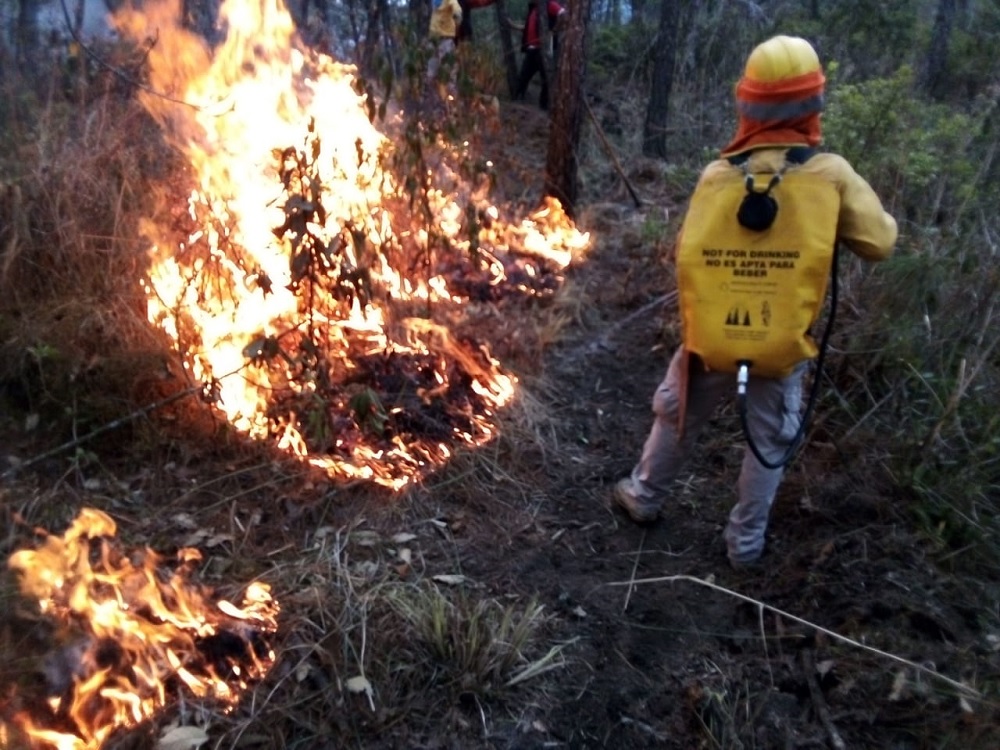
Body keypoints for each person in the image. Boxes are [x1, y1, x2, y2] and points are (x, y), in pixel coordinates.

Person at [612, 35, 898, 569]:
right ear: (813, 104)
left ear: (746, 104)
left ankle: (644, 496)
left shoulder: (718, 175)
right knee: (768, 441)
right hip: (779, 346)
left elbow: (687, 254)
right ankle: (743, 548)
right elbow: (880, 243)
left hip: (710, 341)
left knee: (676, 414)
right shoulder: (830, 175)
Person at [512, 0, 567, 111]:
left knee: (546, 79)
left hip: (543, 50)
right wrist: (512, 25)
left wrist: (554, 30)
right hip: (531, 50)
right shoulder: (533, 9)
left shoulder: (549, 4)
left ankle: (543, 107)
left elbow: (563, 14)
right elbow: (527, 27)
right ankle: (516, 101)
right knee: (523, 77)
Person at [427, 0, 464, 87]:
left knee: (449, 69)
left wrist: (457, 16)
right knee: (432, 71)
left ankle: (451, 93)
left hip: (446, 38)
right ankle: (434, 93)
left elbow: (456, 9)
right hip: (433, 40)